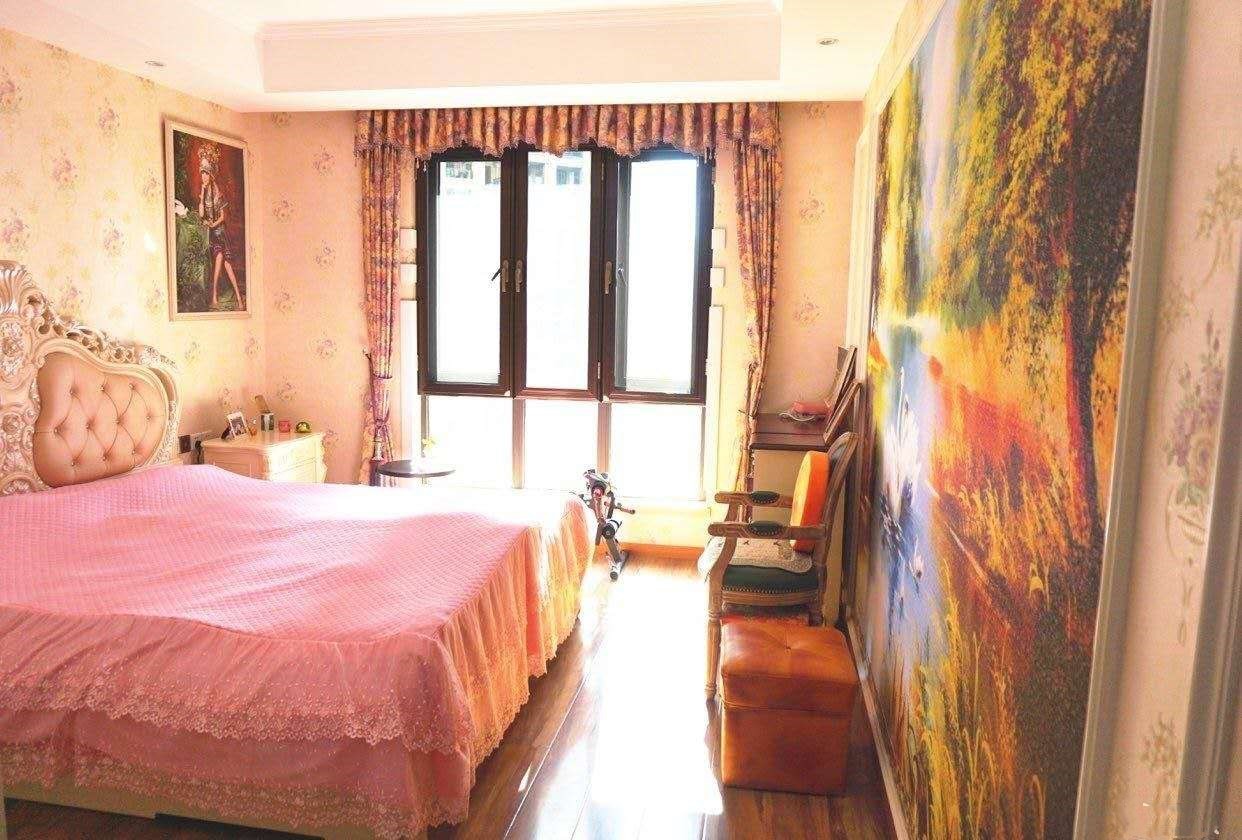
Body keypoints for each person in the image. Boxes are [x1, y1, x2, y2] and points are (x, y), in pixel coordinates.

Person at [197, 147, 245, 311]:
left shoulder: (218, 193)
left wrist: (213, 224)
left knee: (223, 262)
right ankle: (231, 297)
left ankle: (221, 295)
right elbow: (202, 214)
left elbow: (223, 217)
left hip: (220, 232)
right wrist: (202, 193)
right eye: (202, 173)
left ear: (211, 175)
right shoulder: (204, 192)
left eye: (205, 173)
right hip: (212, 233)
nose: (203, 176)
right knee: (223, 263)